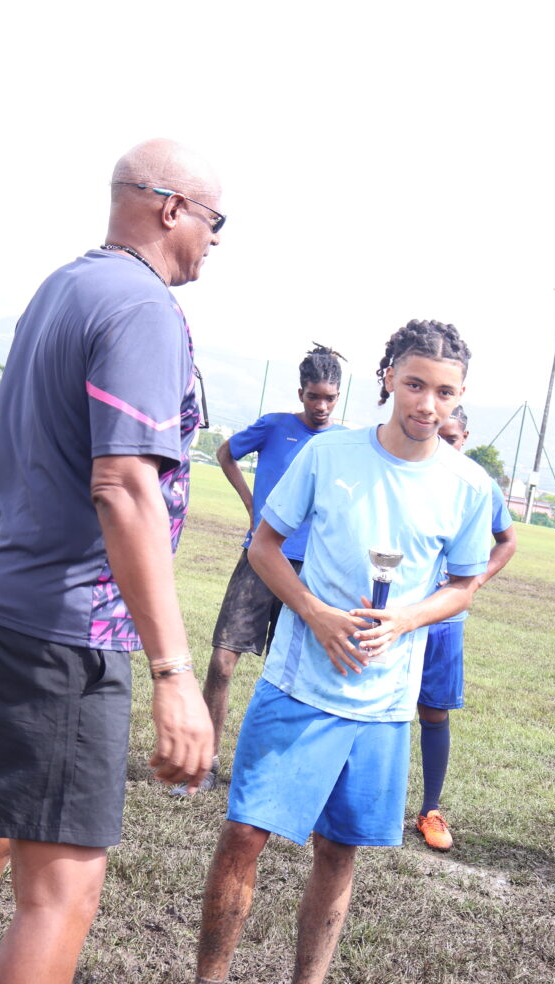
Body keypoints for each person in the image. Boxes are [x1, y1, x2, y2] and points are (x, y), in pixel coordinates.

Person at [0, 138, 224, 984]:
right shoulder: (143, 308)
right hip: (58, 631)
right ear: (171, 209)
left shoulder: (66, 285)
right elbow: (123, 484)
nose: (215, 241)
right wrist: (174, 671)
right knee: (63, 891)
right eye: (215, 221)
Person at [195, 319, 493, 984]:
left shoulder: (467, 486)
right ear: (388, 379)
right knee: (243, 835)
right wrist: (314, 612)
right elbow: (264, 547)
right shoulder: (330, 455)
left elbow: (465, 584)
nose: (427, 404)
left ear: (460, 395)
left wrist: (406, 619)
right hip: (297, 687)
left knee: (337, 852)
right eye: (414, 384)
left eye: (444, 392)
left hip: (381, 708)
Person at [188, 345, 345, 794]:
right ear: (301, 393)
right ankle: (205, 765)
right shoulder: (275, 426)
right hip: (259, 558)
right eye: (314, 396)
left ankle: (272, 774)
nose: (321, 406)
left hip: (309, 570)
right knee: (222, 662)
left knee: (294, 678)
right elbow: (225, 453)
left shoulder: (342, 443)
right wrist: (252, 505)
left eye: (330, 398)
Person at [416, 404, 517, 851]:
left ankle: (430, 810)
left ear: (465, 438)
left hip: (444, 620)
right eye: (437, 434)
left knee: (434, 713)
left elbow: (508, 541)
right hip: (393, 612)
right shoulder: (410, 468)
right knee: (374, 706)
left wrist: (472, 582)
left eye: (451, 437)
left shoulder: (478, 483)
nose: (443, 443)